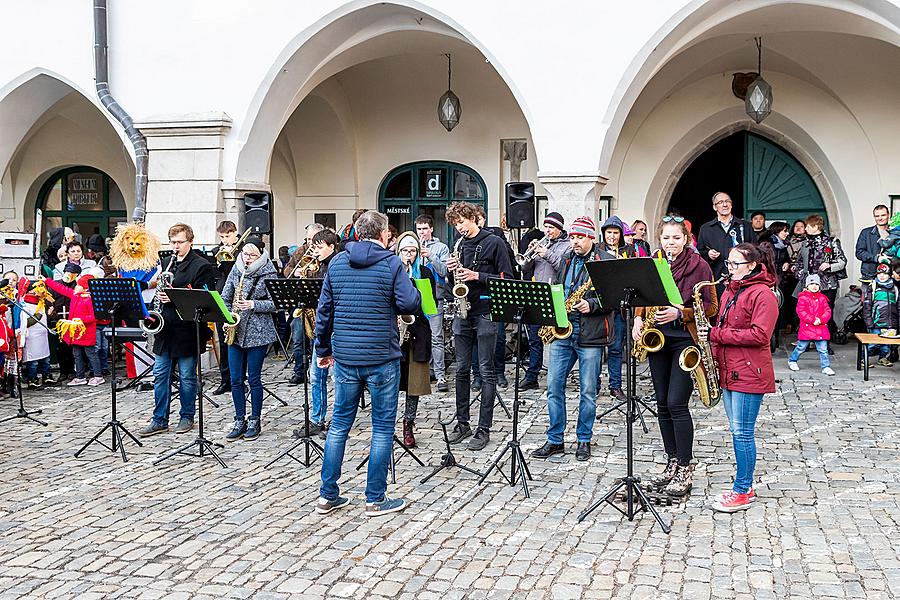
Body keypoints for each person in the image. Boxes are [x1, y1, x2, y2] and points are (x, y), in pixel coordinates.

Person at [315, 210, 421, 517]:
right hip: (381, 358)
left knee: (339, 426)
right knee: (382, 428)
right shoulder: (391, 263)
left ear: (359, 233)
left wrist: (323, 349)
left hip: (346, 357)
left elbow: (324, 313)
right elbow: (410, 303)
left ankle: (327, 495)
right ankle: (375, 498)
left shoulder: (336, 262)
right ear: (384, 233)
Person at [635, 216, 718, 496]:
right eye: (666, 238)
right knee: (661, 403)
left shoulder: (700, 265)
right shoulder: (654, 261)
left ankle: (685, 465)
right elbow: (641, 294)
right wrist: (637, 319)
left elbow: (711, 307)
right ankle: (671, 461)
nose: (670, 244)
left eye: (676, 238)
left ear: (686, 240)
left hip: (684, 339)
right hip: (657, 337)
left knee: (676, 403)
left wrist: (680, 313)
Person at [699, 243, 778, 513]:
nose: (729, 269)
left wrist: (716, 335)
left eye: (735, 264)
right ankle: (745, 485)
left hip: (748, 372)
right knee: (736, 432)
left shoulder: (763, 294)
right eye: (728, 264)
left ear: (752, 266)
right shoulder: (730, 291)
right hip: (730, 370)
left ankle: (742, 489)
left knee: (743, 433)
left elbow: (760, 335)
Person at [531, 216, 613, 462]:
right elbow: (558, 288)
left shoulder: (605, 261)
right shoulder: (567, 260)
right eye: (574, 237)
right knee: (553, 387)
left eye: (580, 237)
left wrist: (591, 304)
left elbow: (614, 297)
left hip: (590, 332)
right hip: (563, 330)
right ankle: (555, 439)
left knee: (588, 391)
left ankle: (583, 439)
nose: (574, 241)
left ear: (592, 238)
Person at [446, 201, 514, 451]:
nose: (459, 227)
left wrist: (477, 276)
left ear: (474, 217)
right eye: (455, 224)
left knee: (486, 371)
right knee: (462, 369)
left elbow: (508, 279)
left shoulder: (494, 242)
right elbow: (452, 278)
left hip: (486, 311)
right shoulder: (460, 245)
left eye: (461, 222)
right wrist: (450, 270)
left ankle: (483, 428)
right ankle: (462, 422)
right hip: (463, 310)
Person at [138, 223, 215, 437]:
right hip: (165, 328)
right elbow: (160, 291)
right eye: (172, 242)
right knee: (160, 375)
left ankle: (186, 416)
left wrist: (172, 297)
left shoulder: (201, 266)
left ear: (190, 241)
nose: (175, 246)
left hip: (187, 329)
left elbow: (203, 297)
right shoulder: (167, 262)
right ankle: (159, 419)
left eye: (180, 242)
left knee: (187, 377)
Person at [219, 237, 279, 441]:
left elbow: (276, 304)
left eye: (252, 255)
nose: (247, 258)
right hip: (236, 330)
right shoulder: (236, 269)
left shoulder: (269, 272)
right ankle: (239, 419)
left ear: (261, 255)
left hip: (258, 332)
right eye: (245, 254)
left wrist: (253, 304)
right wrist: (228, 317)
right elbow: (225, 297)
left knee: (253, 378)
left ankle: (255, 419)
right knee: (236, 379)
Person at [292, 228, 339, 438]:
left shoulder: (338, 266)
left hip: (336, 329)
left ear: (331, 247)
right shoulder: (318, 266)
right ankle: (316, 419)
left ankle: (337, 421)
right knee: (316, 376)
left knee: (337, 379)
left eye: (319, 247)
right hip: (322, 329)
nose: (316, 251)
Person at [395, 232, 436, 448]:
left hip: (418, 331)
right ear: (398, 252)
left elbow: (430, 306)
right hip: (395, 334)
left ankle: (408, 423)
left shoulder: (425, 273)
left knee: (415, 383)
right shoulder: (392, 271)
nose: (408, 255)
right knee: (391, 380)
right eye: (405, 251)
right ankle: (385, 423)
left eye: (412, 251)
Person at [521, 212, 568, 391]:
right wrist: (530, 253)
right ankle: (532, 376)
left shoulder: (567, 246)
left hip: (555, 295)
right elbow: (525, 266)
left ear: (559, 229)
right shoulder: (542, 242)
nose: (547, 231)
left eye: (551, 228)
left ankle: (557, 377)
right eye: (546, 227)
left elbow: (563, 267)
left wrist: (546, 253)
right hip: (537, 295)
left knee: (557, 338)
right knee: (535, 339)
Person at [598, 215, 636, 403]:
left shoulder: (629, 250)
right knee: (597, 347)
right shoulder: (598, 249)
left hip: (620, 306)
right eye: (608, 232)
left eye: (615, 233)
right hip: (602, 305)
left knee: (615, 348)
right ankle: (594, 383)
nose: (612, 236)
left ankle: (615, 385)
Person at [792, 214, 847, 343]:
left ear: (816, 227)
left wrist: (829, 266)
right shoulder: (805, 243)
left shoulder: (831, 242)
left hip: (827, 284)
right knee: (806, 313)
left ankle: (825, 342)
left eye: (807, 226)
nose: (805, 229)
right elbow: (799, 262)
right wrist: (801, 275)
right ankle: (807, 340)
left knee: (825, 314)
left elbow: (842, 261)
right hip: (807, 286)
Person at [43, 274, 104, 387]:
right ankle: (80, 376)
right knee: (77, 354)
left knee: (91, 354)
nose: (76, 286)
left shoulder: (90, 300)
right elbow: (61, 288)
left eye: (79, 285)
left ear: (85, 287)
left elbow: (95, 317)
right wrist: (47, 281)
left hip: (86, 333)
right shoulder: (76, 295)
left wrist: (81, 319)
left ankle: (98, 376)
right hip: (75, 333)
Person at [286, 222, 326, 386]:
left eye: (313, 239)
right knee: (298, 339)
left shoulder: (324, 252)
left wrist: (307, 272)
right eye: (308, 239)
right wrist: (294, 271)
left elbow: (323, 274)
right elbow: (287, 270)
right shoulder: (300, 251)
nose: (310, 242)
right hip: (301, 301)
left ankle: (319, 372)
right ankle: (299, 372)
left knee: (317, 340)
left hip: (318, 303)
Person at [415, 215, 450, 393]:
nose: (422, 232)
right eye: (419, 229)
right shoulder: (411, 245)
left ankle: (440, 375)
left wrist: (430, 256)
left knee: (437, 337)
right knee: (419, 337)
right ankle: (423, 372)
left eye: (424, 229)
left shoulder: (441, 247)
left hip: (435, 297)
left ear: (431, 229)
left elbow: (445, 271)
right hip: (415, 298)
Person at [696, 192, 754, 295]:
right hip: (717, 279)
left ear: (731, 205)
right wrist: (708, 254)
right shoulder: (705, 229)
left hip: (743, 279)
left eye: (727, 201)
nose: (725, 204)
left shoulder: (745, 226)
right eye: (721, 202)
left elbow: (755, 250)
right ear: (715, 207)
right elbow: (699, 252)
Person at [210, 220, 240, 395]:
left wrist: (234, 255)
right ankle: (225, 379)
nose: (225, 240)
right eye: (222, 237)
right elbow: (216, 275)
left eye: (228, 236)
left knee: (238, 341)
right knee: (223, 339)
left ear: (235, 233)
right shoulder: (216, 252)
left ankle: (239, 379)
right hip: (223, 296)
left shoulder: (245, 248)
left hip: (239, 297)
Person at [787, 274, 835, 375]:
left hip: (820, 327)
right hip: (808, 328)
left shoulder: (823, 298)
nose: (814, 286)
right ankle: (792, 360)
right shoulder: (803, 298)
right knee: (801, 347)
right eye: (812, 284)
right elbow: (801, 312)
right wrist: (812, 320)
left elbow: (828, 311)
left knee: (823, 349)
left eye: (816, 284)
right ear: (806, 286)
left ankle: (825, 366)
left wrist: (821, 319)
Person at [862, 263, 899, 367]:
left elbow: (898, 306)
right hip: (876, 321)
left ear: (889, 275)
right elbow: (867, 307)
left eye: (885, 274)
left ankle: (882, 358)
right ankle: (863, 359)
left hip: (890, 322)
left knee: (886, 344)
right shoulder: (872, 287)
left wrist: (897, 322)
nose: (882, 276)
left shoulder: (894, 288)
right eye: (879, 273)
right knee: (873, 343)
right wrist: (869, 321)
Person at [18, 282, 53, 389]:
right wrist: (38, 316)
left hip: (42, 335)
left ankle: (46, 376)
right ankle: (32, 379)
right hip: (32, 337)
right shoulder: (24, 304)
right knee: (33, 361)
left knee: (45, 359)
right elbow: (25, 323)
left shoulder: (42, 302)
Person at [855, 204, 892, 281]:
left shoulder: (895, 233)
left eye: (883, 215)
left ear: (888, 215)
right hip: (870, 276)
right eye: (877, 216)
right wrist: (876, 258)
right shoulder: (866, 233)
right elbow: (859, 253)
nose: (880, 218)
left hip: (891, 275)